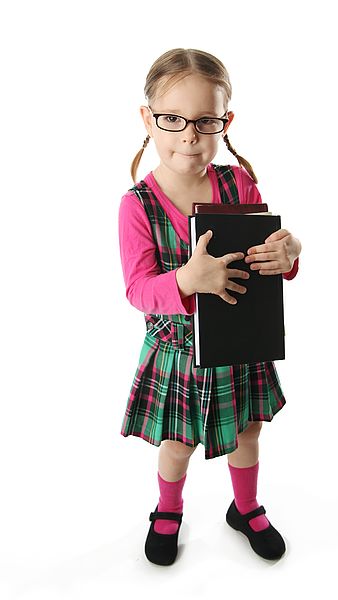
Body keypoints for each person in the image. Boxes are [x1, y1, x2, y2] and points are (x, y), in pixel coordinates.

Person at [118, 48, 302, 566]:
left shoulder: (236, 184)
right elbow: (137, 290)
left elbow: (267, 264)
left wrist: (287, 255)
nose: (189, 135)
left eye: (205, 120)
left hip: (239, 341)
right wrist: (186, 280)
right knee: (178, 443)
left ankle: (245, 507)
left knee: (248, 430)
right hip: (179, 351)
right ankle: (168, 509)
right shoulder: (138, 205)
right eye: (173, 119)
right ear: (147, 119)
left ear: (226, 122)